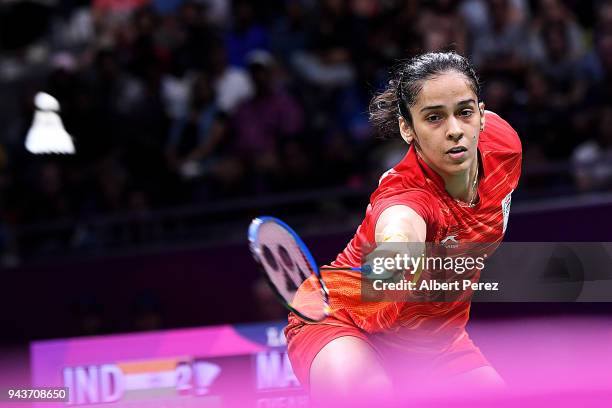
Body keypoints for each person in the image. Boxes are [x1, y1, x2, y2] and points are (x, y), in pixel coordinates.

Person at [284, 52, 522, 404]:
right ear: (407, 128)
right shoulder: (405, 197)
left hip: (435, 341)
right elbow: (398, 228)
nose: (455, 129)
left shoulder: (504, 145)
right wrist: (395, 257)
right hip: (343, 319)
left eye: (465, 111)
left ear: (483, 115)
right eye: (434, 118)